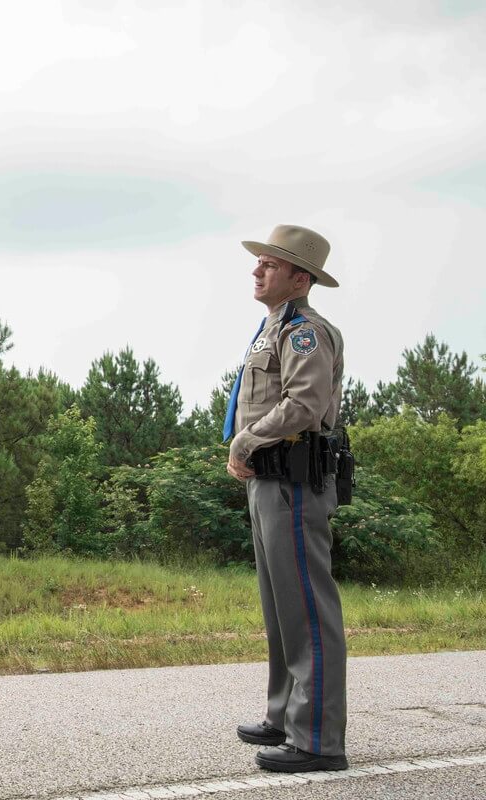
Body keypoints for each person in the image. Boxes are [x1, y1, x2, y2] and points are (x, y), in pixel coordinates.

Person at [223, 225, 348, 773]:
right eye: (260, 263)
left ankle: (318, 741)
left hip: (295, 484)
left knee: (307, 613)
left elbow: (303, 405)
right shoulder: (271, 328)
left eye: (270, 265)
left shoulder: (305, 332)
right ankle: (285, 716)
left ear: (300, 278)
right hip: (268, 481)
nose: (257, 270)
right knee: (280, 610)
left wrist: (245, 440)